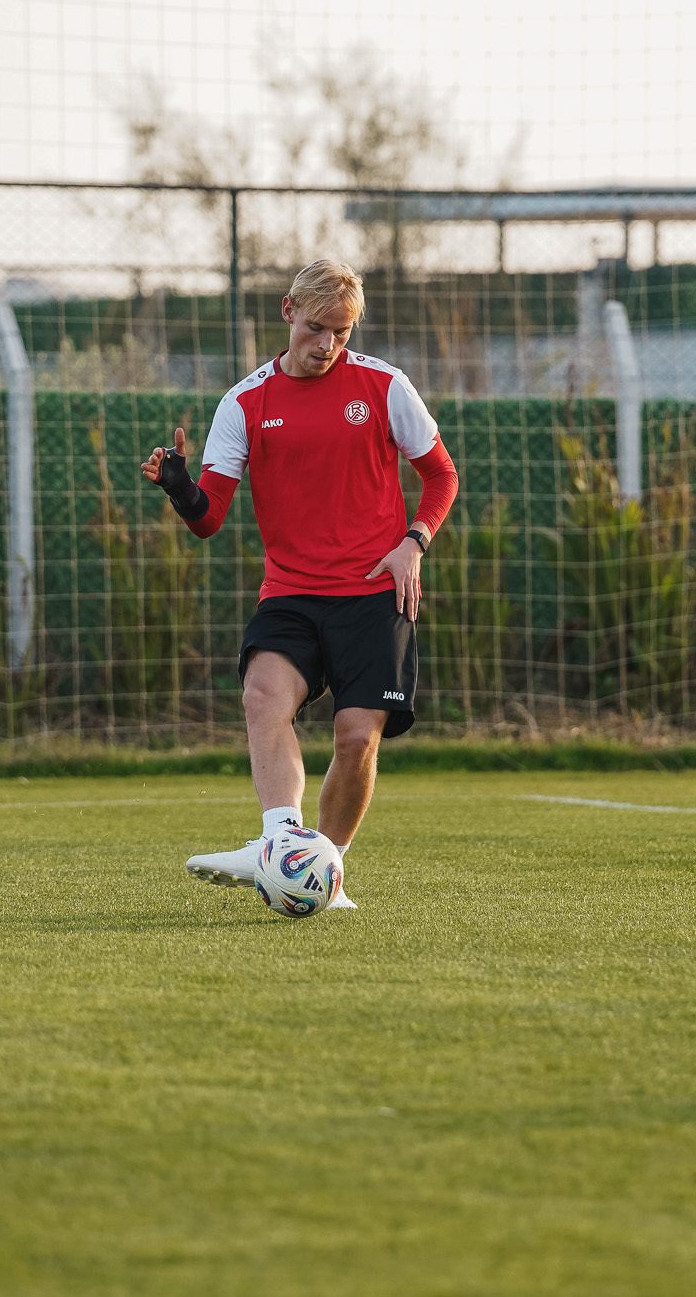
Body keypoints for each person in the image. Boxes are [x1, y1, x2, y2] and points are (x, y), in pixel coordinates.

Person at [142, 259, 457, 909]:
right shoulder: (245, 402)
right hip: (291, 591)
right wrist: (178, 486)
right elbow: (210, 518)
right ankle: (281, 844)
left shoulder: (385, 386)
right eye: (317, 328)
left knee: (356, 736)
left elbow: (442, 476)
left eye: (341, 332)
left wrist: (413, 542)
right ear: (288, 311)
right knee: (263, 696)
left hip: (376, 591)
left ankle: (323, 870)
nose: (328, 345)